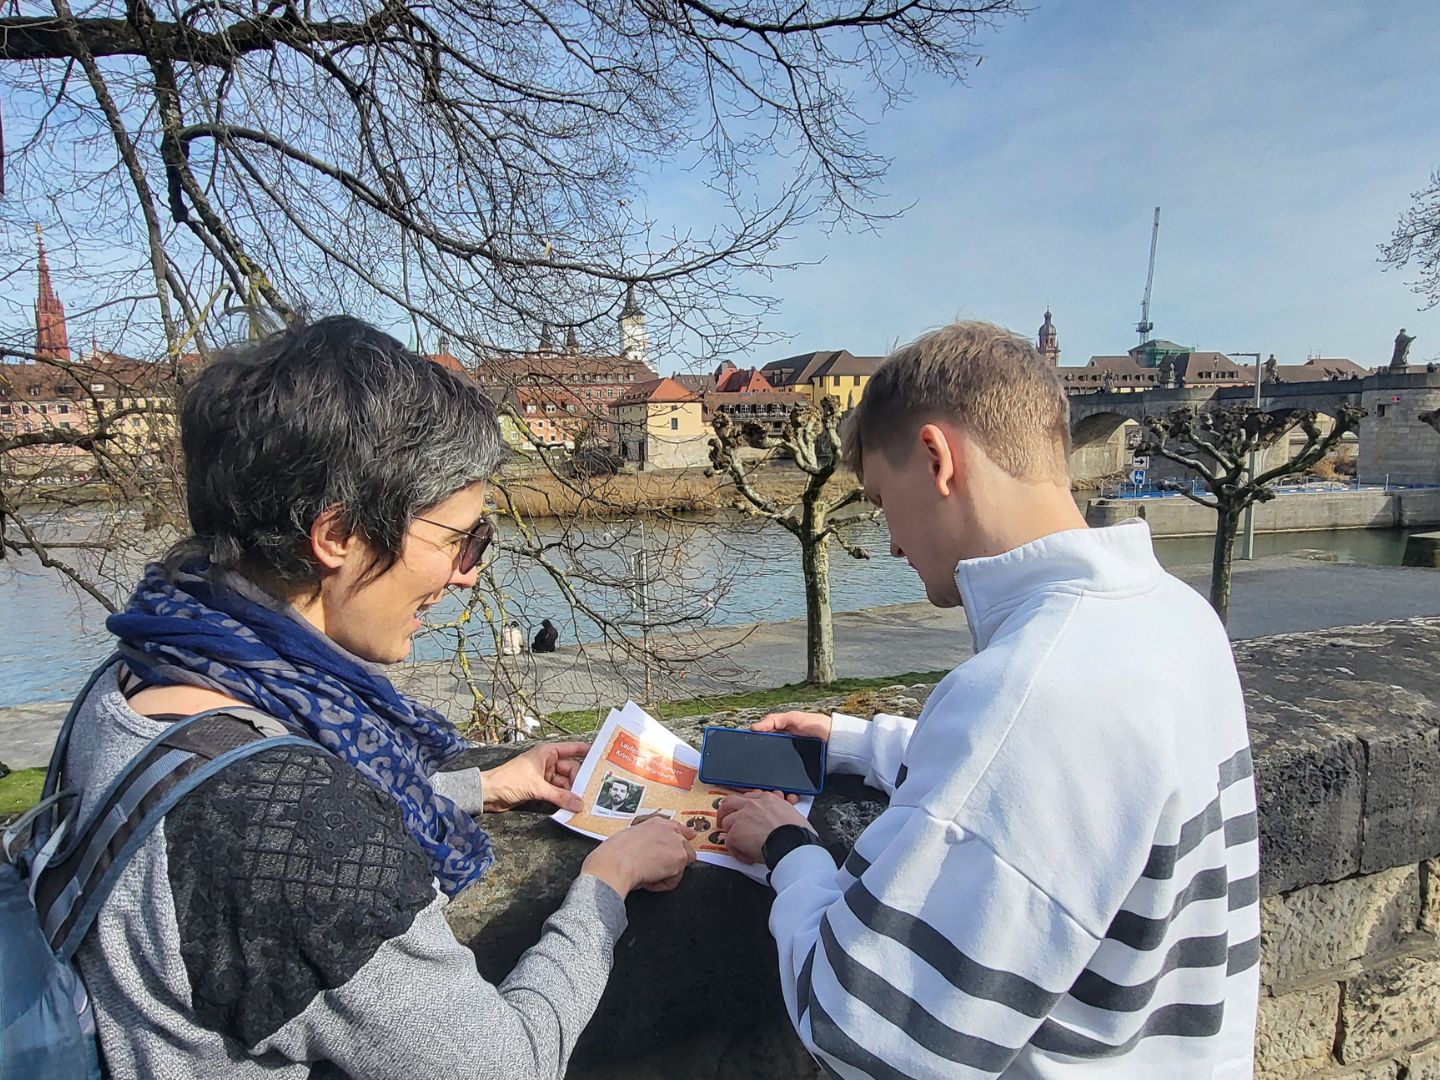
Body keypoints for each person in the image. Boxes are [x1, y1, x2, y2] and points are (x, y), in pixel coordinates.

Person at [60, 317, 697, 1079]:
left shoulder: (144, 670)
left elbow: (238, 797)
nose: (467, 574)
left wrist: (483, 785)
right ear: (338, 535)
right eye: (460, 539)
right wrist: (607, 882)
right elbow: (507, 1065)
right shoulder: (296, 830)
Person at [719, 321, 1259, 1078]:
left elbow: (856, 1026)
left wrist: (789, 850)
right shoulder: (1175, 619)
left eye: (881, 498)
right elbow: (1059, 792)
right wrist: (856, 740)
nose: (893, 542)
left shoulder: (1032, 690)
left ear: (938, 459)